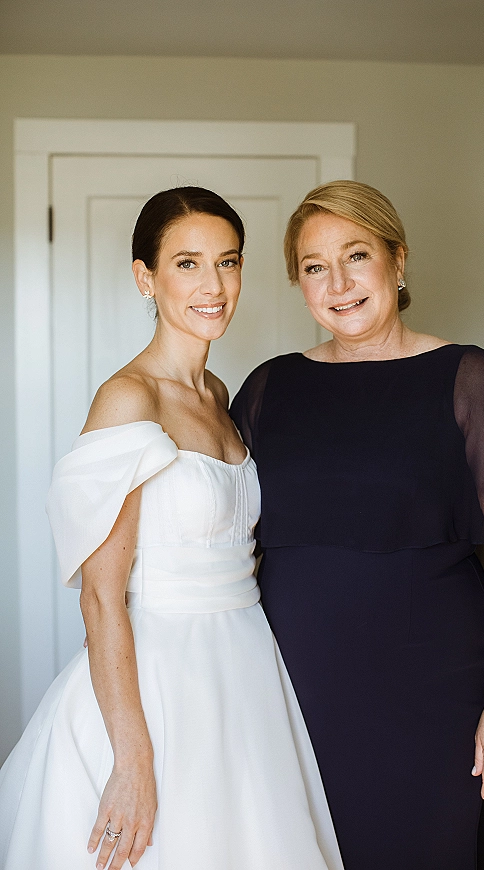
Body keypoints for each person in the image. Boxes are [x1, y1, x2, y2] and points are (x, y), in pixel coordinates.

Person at [230, 180, 484, 870]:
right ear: (299, 283)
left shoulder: (471, 382)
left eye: (356, 255)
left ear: (398, 259)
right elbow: (226, 546)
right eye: (315, 266)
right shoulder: (269, 388)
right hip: (291, 696)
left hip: (431, 703)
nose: (338, 283)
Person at [0, 187, 343, 870]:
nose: (213, 286)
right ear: (145, 277)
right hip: (160, 674)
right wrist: (132, 758)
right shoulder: (130, 398)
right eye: (187, 264)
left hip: (245, 668)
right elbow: (101, 597)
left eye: (228, 261)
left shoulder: (219, 397)